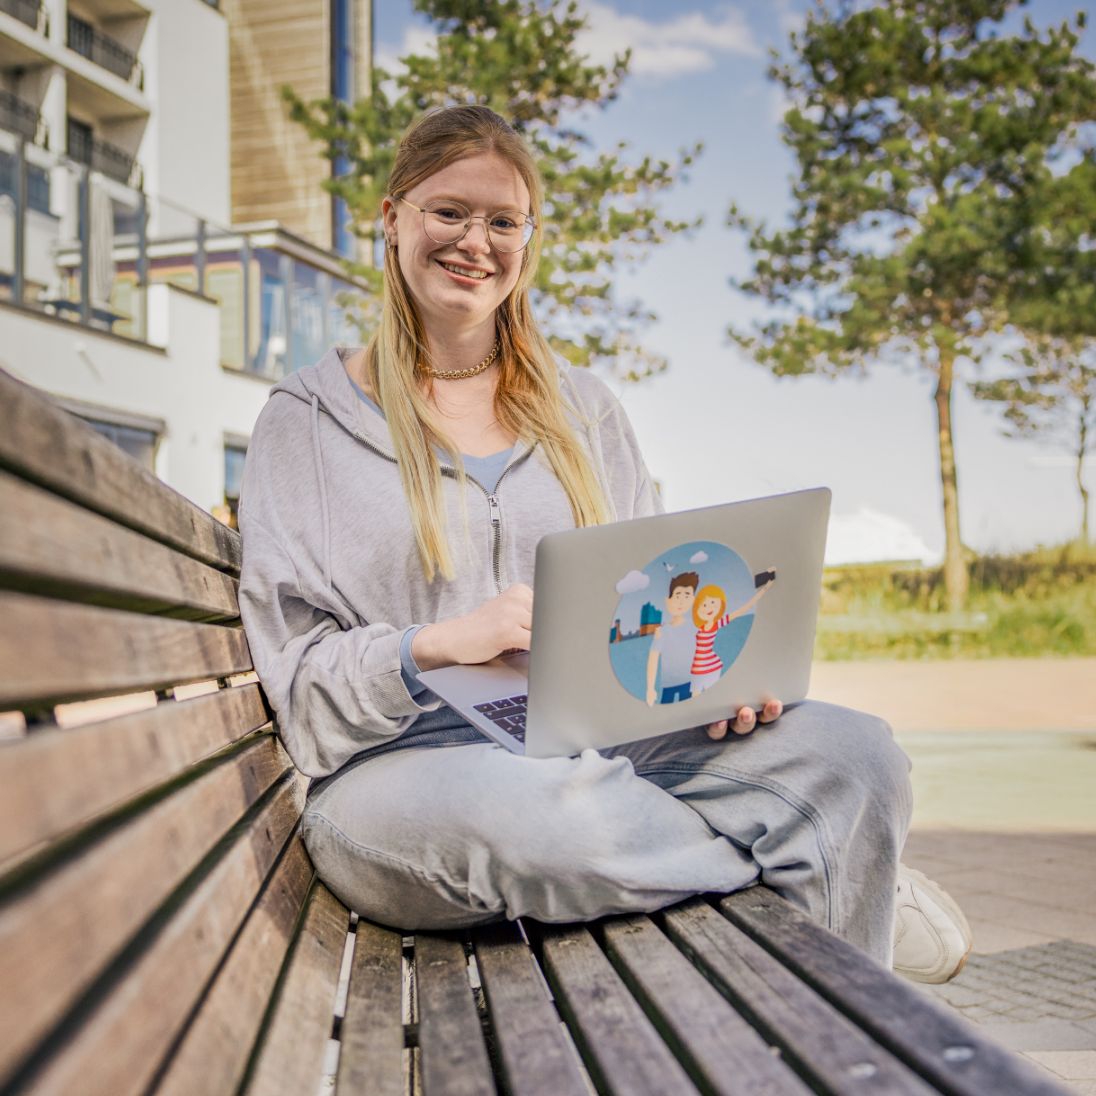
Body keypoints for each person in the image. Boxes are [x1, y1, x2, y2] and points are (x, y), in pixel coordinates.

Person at [239, 104, 970, 981]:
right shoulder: (306, 423)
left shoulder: (585, 410)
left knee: (855, 758)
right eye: (450, 212)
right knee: (553, 817)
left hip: (592, 746)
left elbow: (647, 604)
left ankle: (836, 1001)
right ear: (392, 219)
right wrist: (428, 646)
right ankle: (833, 862)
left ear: (528, 240)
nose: (475, 241)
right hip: (401, 771)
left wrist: (707, 689)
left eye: (503, 221)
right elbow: (296, 682)